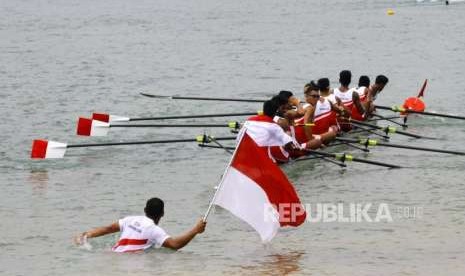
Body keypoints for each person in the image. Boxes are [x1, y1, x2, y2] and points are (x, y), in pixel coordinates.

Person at [74, 197, 206, 252]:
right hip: (129, 262)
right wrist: (195, 230)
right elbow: (175, 245)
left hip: (113, 253)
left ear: (144, 210)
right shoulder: (155, 230)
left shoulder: (129, 219)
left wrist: (86, 235)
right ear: (162, 214)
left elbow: (108, 229)